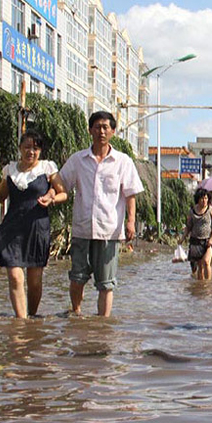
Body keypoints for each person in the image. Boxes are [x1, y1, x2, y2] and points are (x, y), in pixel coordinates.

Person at [52, 111, 144, 317]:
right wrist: (49, 189)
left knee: (106, 284)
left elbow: (130, 195)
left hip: (109, 231)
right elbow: (61, 183)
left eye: (105, 127)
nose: (101, 131)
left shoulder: (123, 161)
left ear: (112, 131)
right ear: (90, 130)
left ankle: (103, 324)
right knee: (76, 278)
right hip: (82, 229)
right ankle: (76, 314)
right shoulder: (78, 160)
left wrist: (131, 222)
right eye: (97, 127)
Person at [0, 131, 68, 318]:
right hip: (12, 229)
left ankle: (32, 316)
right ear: (20, 148)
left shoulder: (47, 169)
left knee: (34, 281)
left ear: (40, 151)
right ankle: (21, 321)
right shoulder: (9, 170)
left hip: (37, 228)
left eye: (35, 148)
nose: (30, 151)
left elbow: (63, 193)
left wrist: (52, 199)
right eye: (27, 147)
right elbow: (1, 195)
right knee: (16, 277)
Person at [182, 188, 212, 280]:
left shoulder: (211, 210)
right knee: (200, 266)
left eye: (206, 198)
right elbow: (188, 226)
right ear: (198, 199)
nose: (204, 201)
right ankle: (201, 287)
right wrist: (182, 238)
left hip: (208, 241)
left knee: (206, 262)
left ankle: (208, 284)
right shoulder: (192, 211)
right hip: (196, 241)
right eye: (202, 198)